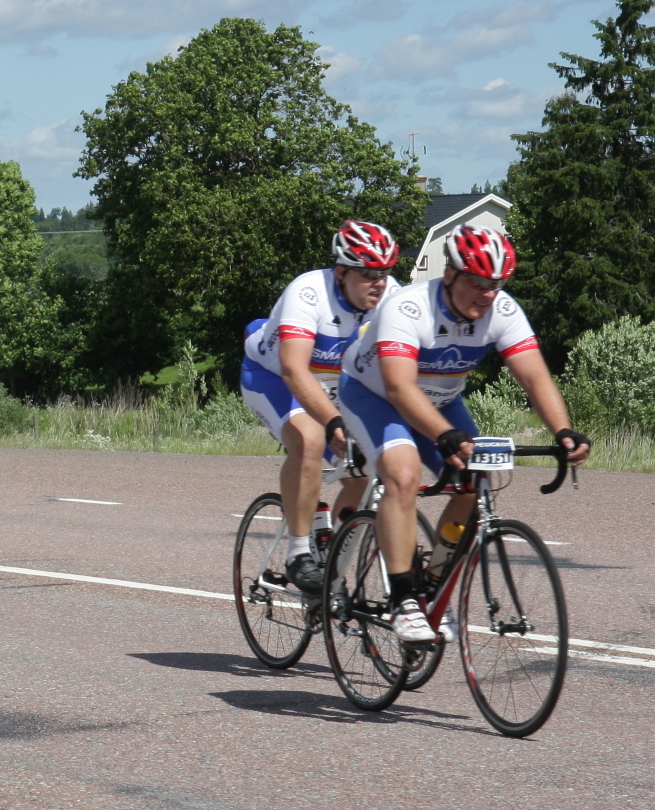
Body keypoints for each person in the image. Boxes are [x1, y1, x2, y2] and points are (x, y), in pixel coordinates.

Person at [337, 225, 591, 644]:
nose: (487, 294)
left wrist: (563, 430)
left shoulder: (502, 310)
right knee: (401, 473)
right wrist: (444, 434)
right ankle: (404, 601)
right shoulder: (408, 307)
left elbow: (534, 376)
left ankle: (433, 583)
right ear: (451, 274)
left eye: (496, 283)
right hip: (373, 395)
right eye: (477, 282)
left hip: (440, 400)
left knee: (476, 478)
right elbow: (399, 388)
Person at [241, 220, 398, 593]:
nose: (379, 282)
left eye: (385, 272)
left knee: (364, 472)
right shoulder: (308, 292)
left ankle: (329, 555)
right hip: (274, 376)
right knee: (309, 440)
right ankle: (299, 554)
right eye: (368, 273)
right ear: (341, 272)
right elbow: (294, 370)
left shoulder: (392, 296)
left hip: (332, 385)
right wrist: (332, 422)